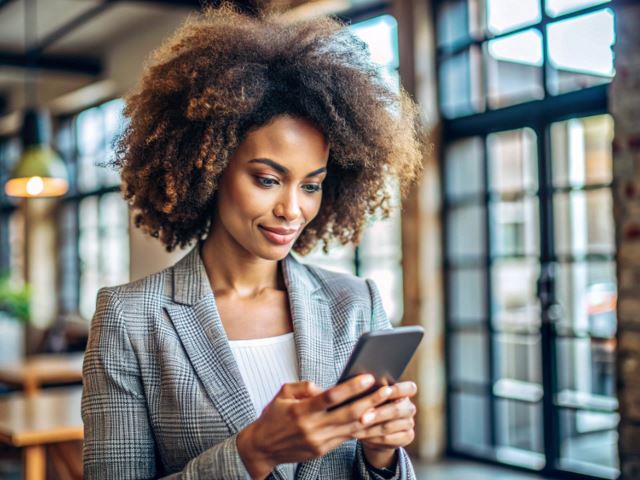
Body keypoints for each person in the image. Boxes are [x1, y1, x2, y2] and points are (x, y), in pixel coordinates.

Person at [81, 3, 425, 479]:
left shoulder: (355, 304)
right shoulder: (130, 319)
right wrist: (252, 453)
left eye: (311, 185)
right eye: (267, 179)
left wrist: (382, 455)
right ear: (210, 166)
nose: (293, 209)